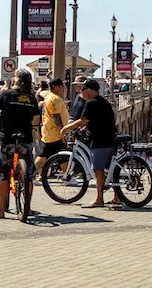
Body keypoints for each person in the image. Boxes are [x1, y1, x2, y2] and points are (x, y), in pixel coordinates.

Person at [0, 69, 41, 219]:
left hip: (7, 138)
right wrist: (34, 132)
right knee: (28, 175)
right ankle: (27, 208)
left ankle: (0, 211)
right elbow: (35, 120)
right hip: (25, 139)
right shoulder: (31, 98)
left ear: (15, 80)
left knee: (2, 175)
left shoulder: (7, 94)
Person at [63, 79, 117, 208]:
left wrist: (66, 128)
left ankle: (99, 199)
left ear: (89, 90)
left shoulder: (91, 103)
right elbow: (96, 120)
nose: (82, 92)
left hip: (99, 141)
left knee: (98, 170)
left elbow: (83, 120)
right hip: (111, 139)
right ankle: (117, 197)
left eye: (83, 89)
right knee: (110, 170)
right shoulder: (104, 102)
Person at [36, 77, 72, 177]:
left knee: (43, 155)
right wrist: (62, 132)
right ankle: (67, 177)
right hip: (55, 133)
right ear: (54, 87)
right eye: (60, 86)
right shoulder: (54, 99)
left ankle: (32, 174)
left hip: (49, 132)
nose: (62, 88)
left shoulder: (49, 97)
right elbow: (56, 118)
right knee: (62, 155)